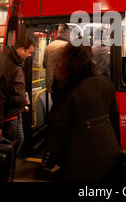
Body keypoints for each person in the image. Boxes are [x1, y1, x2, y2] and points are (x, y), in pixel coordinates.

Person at [42, 44, 120, 181]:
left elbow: (58, 129)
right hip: (109, 151)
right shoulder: (106, 83)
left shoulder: (69, 90)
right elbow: (114, 118)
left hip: (82, 157)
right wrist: (117, 145)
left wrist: (48, 160)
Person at [0, 35, 34, 157]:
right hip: (7, 117)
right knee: (7, 148)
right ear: (21, 49)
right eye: (29, 52)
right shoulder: (6, 64)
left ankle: (8, 167)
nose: (30, 55)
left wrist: (23, 105)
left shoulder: (15, 61)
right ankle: (4, 172)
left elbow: (16, 87)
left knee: (18, 141)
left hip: (15, 113)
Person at [43, 24, 72, 104]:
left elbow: (44, 65)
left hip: (52, 85)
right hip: (66, 86)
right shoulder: (68, 47)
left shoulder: (48, 47)